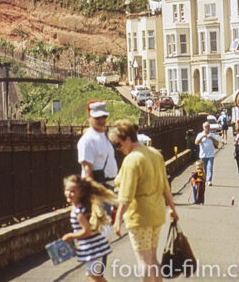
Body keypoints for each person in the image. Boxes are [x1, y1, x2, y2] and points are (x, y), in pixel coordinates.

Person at [109, 119, 178, 282]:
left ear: (127, 139)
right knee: (153, 258)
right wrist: (173, 209)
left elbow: (126, 195)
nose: (118, 149)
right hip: (157, 213)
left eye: (118, 145)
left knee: (143, 260)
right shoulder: (155, 154)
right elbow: (165, 186)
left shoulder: (132, 160)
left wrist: (118, 219)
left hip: (139, 216)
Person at [61, 175, 117, 282]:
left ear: (81, 193)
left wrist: (70, 236)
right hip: (94, 247)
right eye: (67, 190)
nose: (69, 193)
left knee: (92, 276)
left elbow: (87, 231)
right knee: (95, 276)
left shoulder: (79, 211)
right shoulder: (80, 207)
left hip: (93, 248)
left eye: (73, 191)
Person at [77, 101, 118, 186]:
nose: (101, 120)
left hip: (109, 184)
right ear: (89, 117)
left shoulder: (102, 136)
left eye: (104, 117)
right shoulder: (88, 140)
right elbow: (88, 171)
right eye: (97, 117)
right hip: (99, 186)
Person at [194, 121, 220, 186]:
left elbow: (217, 143)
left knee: (210, 167)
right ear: (203, 128)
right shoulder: (200, 134)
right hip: (203, 155)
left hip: (211, 154)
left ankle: (209, 181)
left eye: (208, 126)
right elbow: (196, 142)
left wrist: (211, 138)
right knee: (204, 168)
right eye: (206, 127)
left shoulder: (212, 135)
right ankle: (204, 179)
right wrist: (202, 137)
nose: (207, 128)